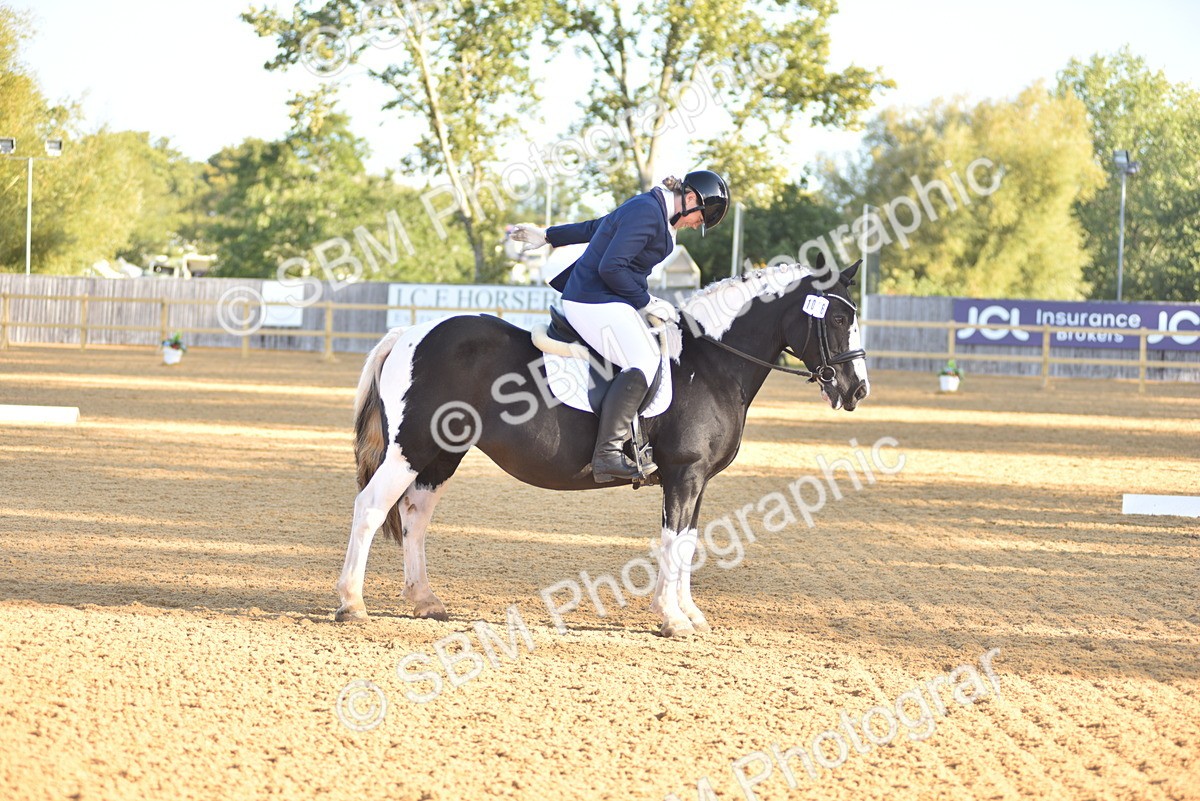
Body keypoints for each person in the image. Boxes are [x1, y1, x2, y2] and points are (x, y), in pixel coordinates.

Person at [510, 170, 730, 483]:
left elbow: (597, 227)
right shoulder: (647, 212)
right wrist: (646, 301)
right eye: (700, 218)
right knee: (644, 360)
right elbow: (610, 267)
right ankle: (607, 453)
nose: (697, 225)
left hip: (608, 298)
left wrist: (548, 235)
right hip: (592, 299)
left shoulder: (651, 209)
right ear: (690, 199)